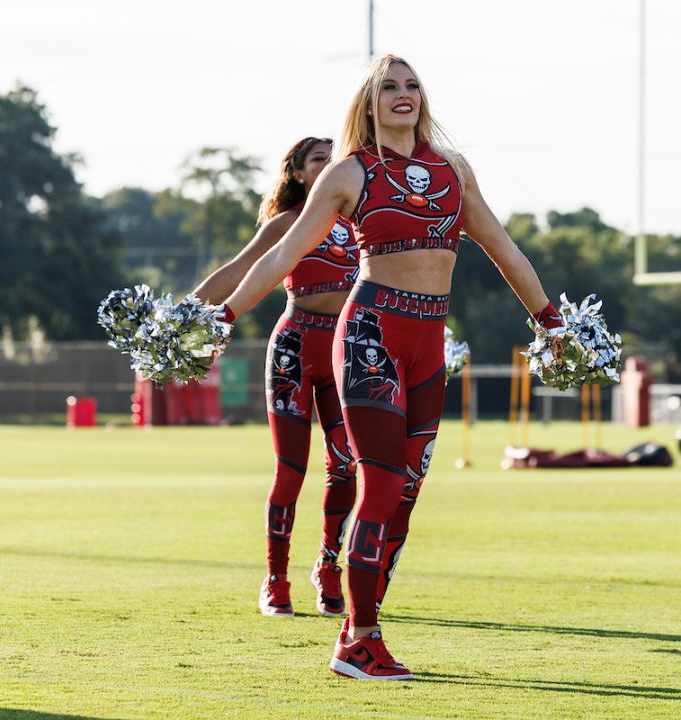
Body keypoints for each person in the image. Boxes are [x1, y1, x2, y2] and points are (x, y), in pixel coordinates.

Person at [215, 54, 564, 680]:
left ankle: (357, 627)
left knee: (405, 493)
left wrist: (550, 317)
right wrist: (229, 313)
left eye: (411, 86)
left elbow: (504, 247)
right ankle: (359, 640)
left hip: (430, 341)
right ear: (368, 103)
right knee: (377, 486)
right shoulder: (350, 172)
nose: (402, 96)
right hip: (372, 331)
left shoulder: (453, 168)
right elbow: (282, 255)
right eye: (387, 88)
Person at [193, 137, 360, 619]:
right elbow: (239, 269)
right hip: (295, 347)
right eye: (318, 160)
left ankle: (329, 567)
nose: (329, 166)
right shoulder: (288, 223)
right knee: (291, 470)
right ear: (299, 174)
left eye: (335, 159)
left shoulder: (358, 220)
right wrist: (183, 315)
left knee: (347, 463)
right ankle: (275, 579)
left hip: (344, 350)